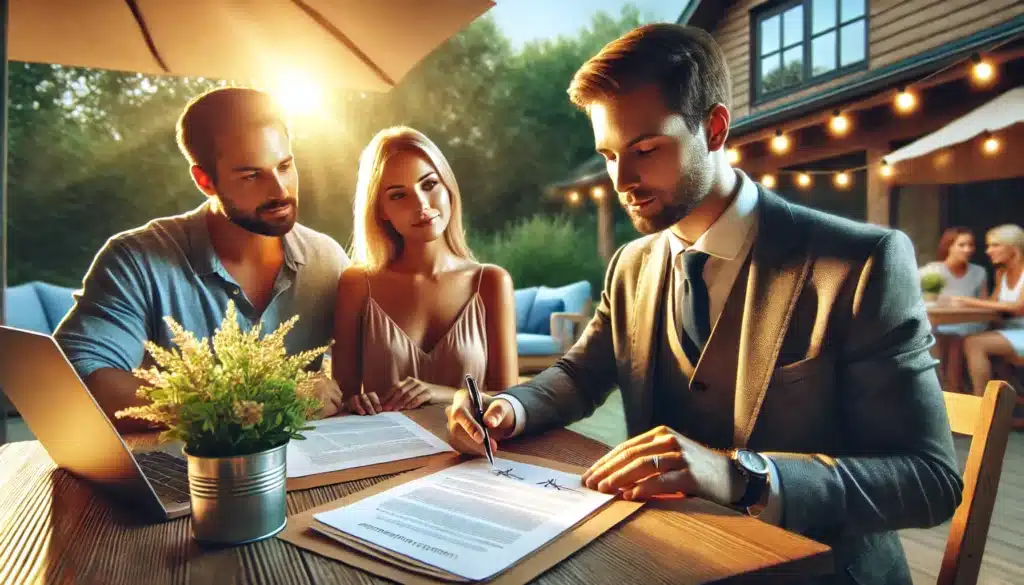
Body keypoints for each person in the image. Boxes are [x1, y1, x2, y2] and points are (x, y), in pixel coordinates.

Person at [445, 24, 961, 585]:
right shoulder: (631, 265)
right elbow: (578, 375)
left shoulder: (860, 264)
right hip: (664, 557)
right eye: (609, 154)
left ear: (714, 128)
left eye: (645, 149)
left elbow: (929, 480)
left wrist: (742, 476)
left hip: (820, 571)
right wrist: (508, 410)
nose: (622, 180)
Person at [55, 87, 350, 433]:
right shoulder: (134, 261)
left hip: (317, 473)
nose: (280, 190)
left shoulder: (328, 260)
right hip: (184, 477)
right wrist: (259, 403)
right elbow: (75, 381)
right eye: (252, 175)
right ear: (204, 181)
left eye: (285, 166)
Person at [332, 126, 518, 416]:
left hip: (471, 454)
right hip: (387, 452)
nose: (421, 204)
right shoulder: (357, 284)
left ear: (448, 187)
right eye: (398, 196)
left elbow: (508, 401)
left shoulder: (491, 282)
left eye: (429, 185)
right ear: (380, 209)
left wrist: (440, 393)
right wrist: (353, 402)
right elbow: (343, 396)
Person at [951, 224, 1024, 396]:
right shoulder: (1002, 274)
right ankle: (955, 391)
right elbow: (992, 305)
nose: (988, 251)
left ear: (1013, 248)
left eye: (995, 245)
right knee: (958, 338)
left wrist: (969, 301)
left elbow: (1019, 307)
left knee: (974, 343)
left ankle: (981, 404)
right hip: (1008, 332)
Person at [918, 227, 988, 390]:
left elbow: (984, 304)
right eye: (961, 245)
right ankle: (942, 388)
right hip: (939, 324)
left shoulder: (979, 272)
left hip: (970, 324)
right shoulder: (931, 270)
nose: (968, 249)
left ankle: (953, 389)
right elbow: (911, 297)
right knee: (934, 334)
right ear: (948, 246)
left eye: (971, 245)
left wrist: (967, 302)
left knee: (957, 338)